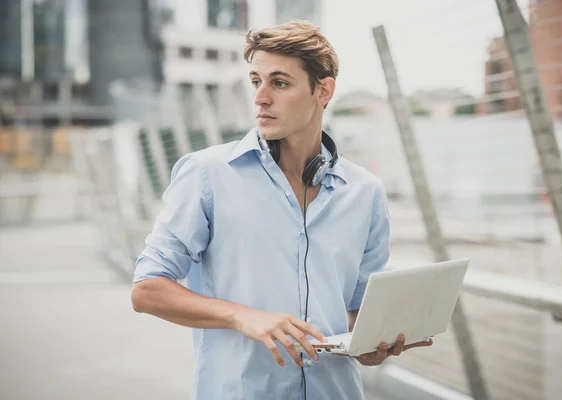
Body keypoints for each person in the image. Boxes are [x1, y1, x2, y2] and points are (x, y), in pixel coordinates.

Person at [131, 20, 432, 400]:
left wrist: (373, 345)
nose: (260, 97)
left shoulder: (365, 192)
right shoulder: (207, 175)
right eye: (256, 81)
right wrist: (243, 316)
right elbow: (147, 290)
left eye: (280, 83)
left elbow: (356, 314)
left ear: (323, 91)